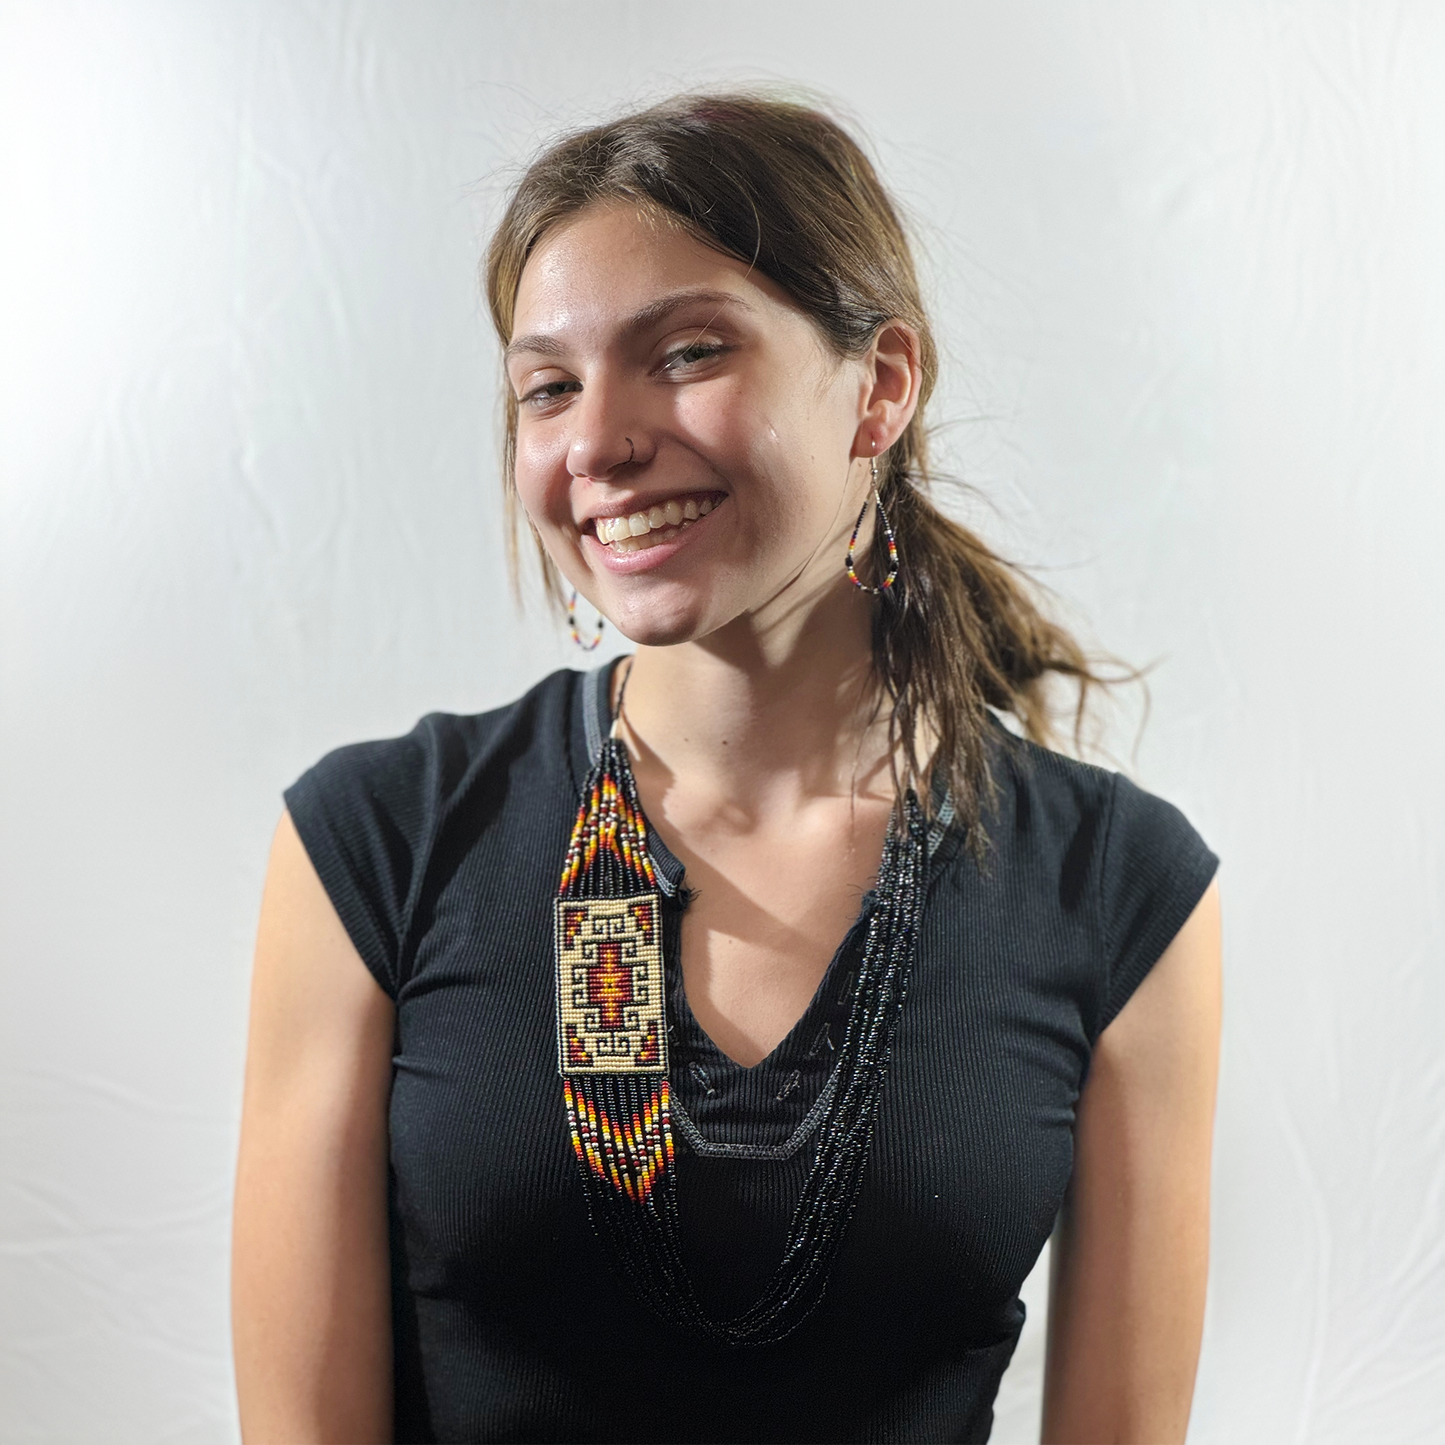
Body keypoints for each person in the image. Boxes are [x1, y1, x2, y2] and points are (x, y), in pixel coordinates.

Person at [231, 93, 1222, 1445]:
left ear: (878, 386)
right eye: (547, 388)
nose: (597, 443)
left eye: (685, 353)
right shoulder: (382, 845)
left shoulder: (1119, 894)